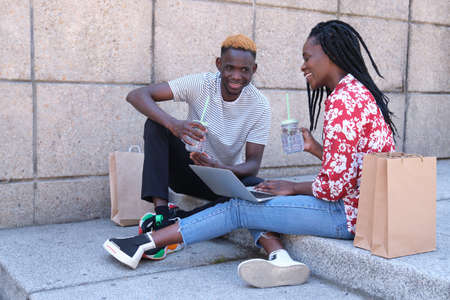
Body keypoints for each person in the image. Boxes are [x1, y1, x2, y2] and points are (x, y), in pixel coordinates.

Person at [104, 20, 396, 288]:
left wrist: (292, 187)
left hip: (347, 215)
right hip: (358, 209)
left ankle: (144, 243)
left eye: (307, 58)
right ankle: (281, 260)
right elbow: (353, 166)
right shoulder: (356, 92)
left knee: (241, 206)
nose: (303, 66)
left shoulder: (343, 100)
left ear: (330, 54)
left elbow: (335, 186)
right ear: (219, 65)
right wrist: (315, 151)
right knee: (255, 195)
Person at [125, 34, 271, 260]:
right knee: (156, 125)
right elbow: (137, 95)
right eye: (230, 68)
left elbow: (252, 165)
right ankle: (162, 215)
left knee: (259, 188)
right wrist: (174, 125)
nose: (236, 76)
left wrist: (220, 167)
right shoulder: (201, 84)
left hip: (221, 180)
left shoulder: (259, 105)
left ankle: (182, 219)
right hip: (187, 170)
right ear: (219, 64)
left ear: (254, 69)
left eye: (245, 70)